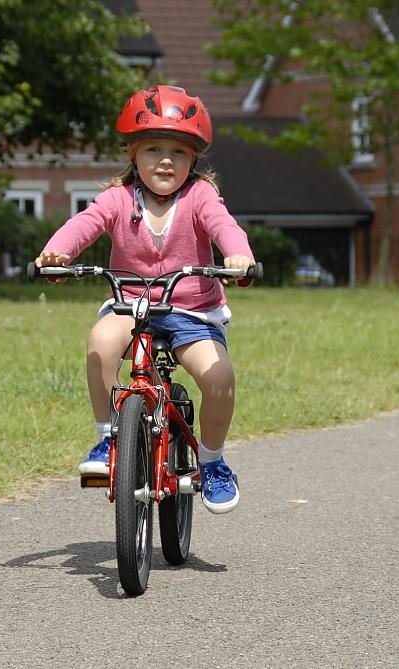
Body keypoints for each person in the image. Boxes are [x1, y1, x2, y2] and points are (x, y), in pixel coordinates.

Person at [35, 85, 255, 514]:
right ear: (133, 155)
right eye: (153, 148)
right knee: (100, 344)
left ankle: (211, 461)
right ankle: (107, 437)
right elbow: (86, 222)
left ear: (194, 159)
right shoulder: (118, 198)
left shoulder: (199, 197)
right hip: (129, 304)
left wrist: (238, 254)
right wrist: (58, 253)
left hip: (190, 310)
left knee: (219, 378)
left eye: (178, 150)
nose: (165, 160)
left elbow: (223, 225)